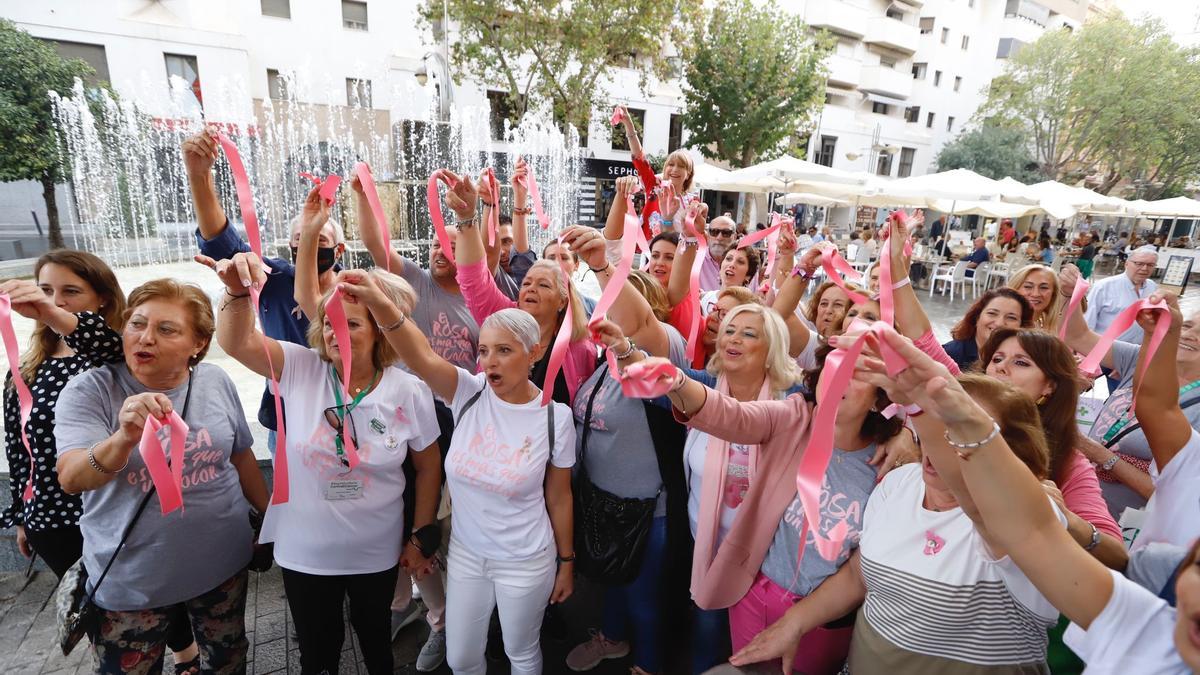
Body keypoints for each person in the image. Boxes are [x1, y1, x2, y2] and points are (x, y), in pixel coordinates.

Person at [864, 306, 1198, 673]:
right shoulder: (937, 435)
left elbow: (1104, 553)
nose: (1001, 368)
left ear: (1050, 385)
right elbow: (931, 372)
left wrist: (1065, 520)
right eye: (996, 359)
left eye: (1021, 363)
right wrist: (915, 421)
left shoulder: (1069, 462)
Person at [730, 368, 1062, 673]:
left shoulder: (1027, 512)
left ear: (1010, 451)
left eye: (965, 432)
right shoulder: (899, 483)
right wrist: (795, 622)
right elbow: (859, 576)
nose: (942, 441)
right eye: (939, 424)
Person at [213, 242, 443, 674]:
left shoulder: (408, 389)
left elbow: (427, 465)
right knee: (318, 651)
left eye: (351, 323)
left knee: (376, 641)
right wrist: (237, 294)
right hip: (306, 552)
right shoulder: (300, 367)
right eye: (330, 321)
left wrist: (420, 534)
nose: (336, 331)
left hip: (376, 549)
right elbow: (235, 341)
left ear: (379, 330)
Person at [55, 279, 269, 675]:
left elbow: (240, 456)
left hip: (221, 564)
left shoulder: (215, 382)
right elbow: (71, 477)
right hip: (133, 581)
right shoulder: (91, 391)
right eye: (136, 324)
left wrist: (271, 517)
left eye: (166, 329)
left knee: (228, 659)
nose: (144, 338)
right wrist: (122, 439)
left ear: (199, 344)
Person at [375, 300, 576, 675]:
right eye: (483, 350)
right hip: (467, 555)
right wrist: (376, 301)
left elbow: (559, 496)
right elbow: (417, 355)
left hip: (526, 559)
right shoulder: (467, 392)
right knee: (461, 659)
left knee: (521, 651)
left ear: (535, 351)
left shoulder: (555, 417)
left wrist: (566, 563)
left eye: (504, 350)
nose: (489, 362)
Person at [560, 244, 692, 674]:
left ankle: (649, 665)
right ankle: (613, 640)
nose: (608, 309)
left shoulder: (662, 349)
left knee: (643, 598)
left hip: (647, 512)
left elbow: (644, 325)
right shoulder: (606, 361)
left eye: (617, 298)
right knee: (613, 581)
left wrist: (602, 265)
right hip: (605, 506)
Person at [1, 251, 125, 579]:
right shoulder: (27, 368)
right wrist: (23, 517)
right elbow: (18, 449)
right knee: (94, 619)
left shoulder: (118, 356)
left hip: (112, 514)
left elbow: (108, 345)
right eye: (45, 290)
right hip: (50, 521)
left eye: (70, 291)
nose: (55, 301)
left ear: (102, 299)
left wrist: (50, 312)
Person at [1059, 263, 1197, 522]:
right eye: (1187, 326)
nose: (1190, 336)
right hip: (1081, 498)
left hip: (1130, 524)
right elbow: (1077, 337)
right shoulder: (1143, 359)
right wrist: (1071, 294)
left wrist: (1103, 456)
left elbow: (1180, 494)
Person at [448, 171, 596, 406]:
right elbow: (473, 279)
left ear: (562, 301)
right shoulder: (503, 317)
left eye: (543, 284)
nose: (530, 288)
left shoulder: (581, 348)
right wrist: (466, 217)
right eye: (526, 283)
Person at [612, 104, 697, 242]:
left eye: (681, 166)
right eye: (670, 164)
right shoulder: (654, 187)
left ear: (688, 174)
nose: (674, 169)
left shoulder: (693, 201)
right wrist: (628, 124)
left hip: (678, 255)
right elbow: (639, 159)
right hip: (650, 253)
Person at [937, 287, 1033, 370]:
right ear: (977, 317)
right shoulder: (949, 354)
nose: (999, 323)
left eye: (1011, 317)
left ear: (1022, 326)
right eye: (992, 313)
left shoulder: (1024, 359)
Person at [1085, 246, 1159, 346]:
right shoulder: (1104, 286)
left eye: (1150, 265)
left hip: (1138, 352)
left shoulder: (1152, 287)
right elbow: (1087, 321)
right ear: (1127, 264)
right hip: (1105, 350)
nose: (1144, 268)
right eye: (1139, 263)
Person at [1008, 263, 1064, 332]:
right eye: (1028, 287)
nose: (1035, 294)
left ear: (1053, 293)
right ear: (1014, 289)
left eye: (1043, 288)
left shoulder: (1052, 327)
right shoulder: (1006, 326)